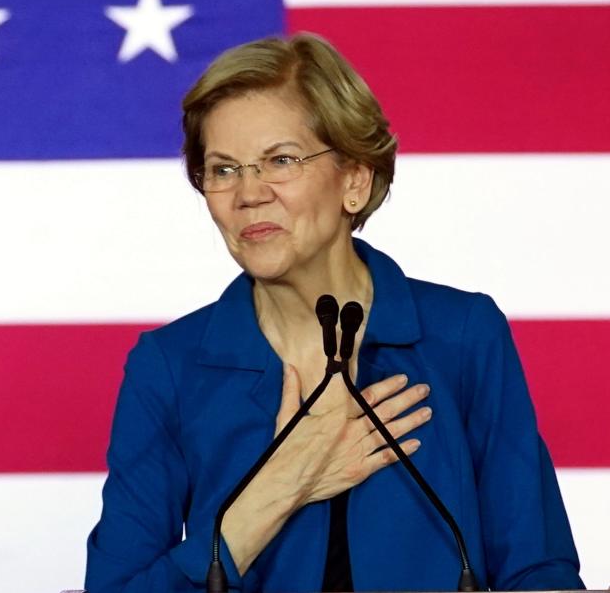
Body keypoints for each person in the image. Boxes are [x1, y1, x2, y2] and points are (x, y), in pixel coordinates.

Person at [85, 33, 583, 592]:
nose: (249, 193)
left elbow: (537, 569)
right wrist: (281, 482)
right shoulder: (170, 368)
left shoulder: (463, 336)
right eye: (223, 169)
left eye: (280, 160)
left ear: (355, 179)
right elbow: (117, 587)